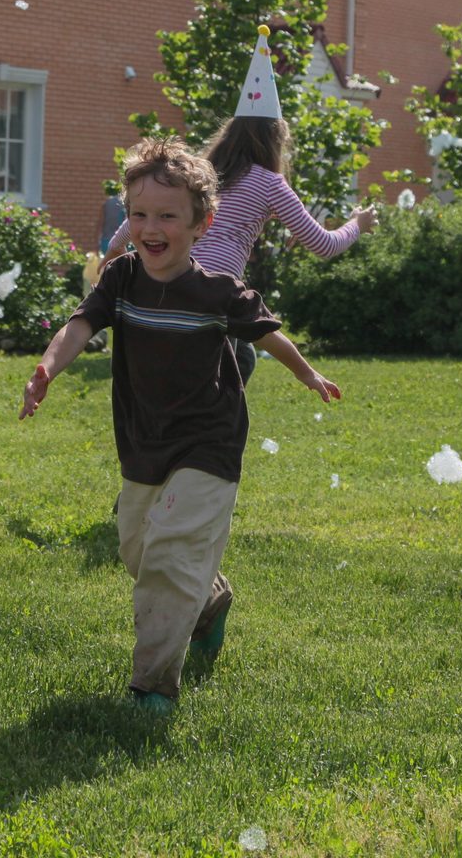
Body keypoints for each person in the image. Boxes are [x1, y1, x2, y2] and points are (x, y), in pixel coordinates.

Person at [21, 137, 341, 716]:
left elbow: (268, 333)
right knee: (137, 549)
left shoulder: (214, 291)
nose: (150, 226)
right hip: (145, 440)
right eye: (138, 213)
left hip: (209, 440)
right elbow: (80, 325)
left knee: (170, 556)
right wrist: (48, 366)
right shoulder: (121, 279)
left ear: (202, 223)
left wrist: (309, 374)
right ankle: (210, 601)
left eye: (167, 215)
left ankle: (152, 685)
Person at [102, 25, 376, 383]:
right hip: (215, 295)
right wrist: (358, 223)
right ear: (275, 138)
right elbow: (324, 245)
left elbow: (121, 238)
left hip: (164, 288)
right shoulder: (268, 181)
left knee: (223, 361)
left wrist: (113, 269)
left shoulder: (197, 175)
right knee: (233, 367)